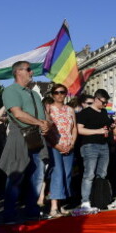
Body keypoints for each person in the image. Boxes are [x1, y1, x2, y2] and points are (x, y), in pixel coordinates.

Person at [0, 61, 51, 223]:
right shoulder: (10, 90)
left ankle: (32, 211)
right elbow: (18, 113)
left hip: (37, 136)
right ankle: (9, 214)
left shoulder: (34, 94)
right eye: (28, 69)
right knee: (16, 176)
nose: (32, 72)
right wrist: (40, 123)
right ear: (18, 72)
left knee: (37, 176)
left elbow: (44, 116)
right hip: (20, 135)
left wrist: (47, 125)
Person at [76, 88, 113, 210]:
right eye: (103, 102)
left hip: (104, 146)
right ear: (96, 99)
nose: (105, 104)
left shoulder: (103, 112)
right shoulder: (85, 113)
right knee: (89, 174)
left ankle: (99, 199)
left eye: (106, 102)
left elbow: (106, 127)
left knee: (102, 174)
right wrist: (98, 131)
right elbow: (79, 129)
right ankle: (85, 201)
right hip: (90, 146)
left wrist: (112, 126)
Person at [45, 83, 77, 218]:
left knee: (67, 175)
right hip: (54, 146)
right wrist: (56, 145)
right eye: (57, 92)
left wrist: (72, 143)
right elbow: (46, 129)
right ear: (52, 94)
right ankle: (53, 207)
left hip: (68, 145)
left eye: (62, 92)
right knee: (57, 174)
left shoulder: (70, 110)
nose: (60, 95)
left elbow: (74, 127)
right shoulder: (48, 109)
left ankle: (60, 204)